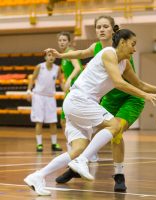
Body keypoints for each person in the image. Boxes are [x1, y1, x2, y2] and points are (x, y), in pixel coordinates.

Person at [24, 28, 156, 196]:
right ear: (122, 43)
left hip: (77, 103)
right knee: (115, 126)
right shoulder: (109, 53)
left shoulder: (124, 63)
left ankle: (38, 176)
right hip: (80, 100)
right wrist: (145, 96)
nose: (134, 49)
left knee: (77, 149)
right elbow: (118, 83)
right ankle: (82, 161)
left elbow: (140, 84)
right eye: (133, 44)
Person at [47, 16, 146, 192]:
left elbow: (131, 82)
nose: (101, 30)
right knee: (89, 133)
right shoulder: (97, 47)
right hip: (107, 97)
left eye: (105, 26)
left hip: (127, 95)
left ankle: (119, 174)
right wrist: (62, 55)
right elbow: (80, 54)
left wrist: (150, 92)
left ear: (112, 30)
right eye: (98, 27)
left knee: (116, 131)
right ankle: (76, 165)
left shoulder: (124, 49)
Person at [26, 52, 64, 152]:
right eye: (49, 55)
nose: (51, 57)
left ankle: (54, 143)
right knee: (39, 121)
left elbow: (61, 81)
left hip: (50, 97)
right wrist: (29, 91)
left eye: (52, 55)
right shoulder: (40, 67)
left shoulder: (57, 68)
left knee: (53, 122)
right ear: (45, 57)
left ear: (55, 58)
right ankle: (39, 144)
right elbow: (32, 79)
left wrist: (66, 92)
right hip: (38, 96)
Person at [57, 31, 83, 151]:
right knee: (64, 121)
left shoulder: (71, 52)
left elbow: (78, 67)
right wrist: (65, 83)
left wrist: (70, 79)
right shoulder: (63, 57)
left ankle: (83, 150)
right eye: (60, 40)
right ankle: (71, 149)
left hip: (77, 91)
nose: (62, 42)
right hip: (69, 92)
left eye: (64, 40)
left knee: (77, 122)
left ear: (69, 42)